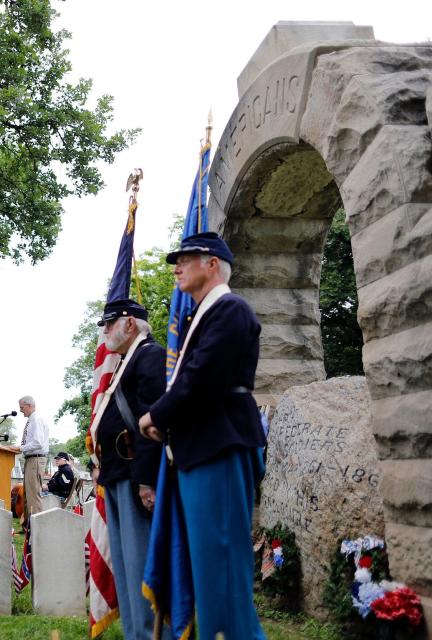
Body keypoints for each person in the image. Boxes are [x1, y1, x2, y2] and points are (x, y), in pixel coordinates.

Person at [138, 231, 267, 640]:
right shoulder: (203, 315)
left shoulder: (230, 310)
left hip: (220, 444)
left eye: (186, 259)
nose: (176, 266)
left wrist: (156, 414)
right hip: (200, 445)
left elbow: (202, 375)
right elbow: (192, 380)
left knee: (223, 564)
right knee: (206, 567)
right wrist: (168, 419)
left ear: (212, 264)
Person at [91, 298, 166, 640]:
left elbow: (153, 422)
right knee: (123, 566)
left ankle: (152, 634)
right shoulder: (124, 362)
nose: (105, 331)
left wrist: (147, 480)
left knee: (140, 565)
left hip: (137, 474)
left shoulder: (150, 355)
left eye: (109, 323)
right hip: (117, 471)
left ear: (131, 324)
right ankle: (137, 633)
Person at [15, 395, 49, 525]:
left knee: (34, 496)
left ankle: (37, 529)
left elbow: (38, 443)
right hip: (31, 459)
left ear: (29, 406)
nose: (20, 410)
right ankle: (27, 527)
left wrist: (20, 447)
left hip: (36, 460)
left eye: (22, 407)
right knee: (27, 496)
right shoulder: (32, 420)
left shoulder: (37, 420)